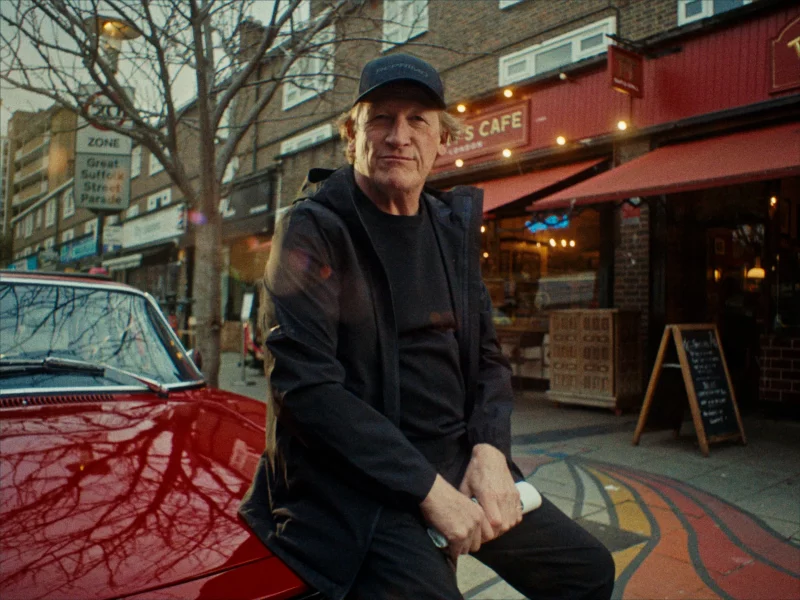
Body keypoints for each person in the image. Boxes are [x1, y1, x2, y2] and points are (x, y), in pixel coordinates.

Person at [239, 53, 614, 600]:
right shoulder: (311, 229)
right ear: (353, 135)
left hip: (460, 460)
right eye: (382, 119)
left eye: (418, 120)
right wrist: (430, 492)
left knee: (586, 572)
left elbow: (488, 359)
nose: (399, 136)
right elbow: (307, 389)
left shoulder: (449, 227)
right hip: (363, 484)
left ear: (442, 140)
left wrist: (488, 451)